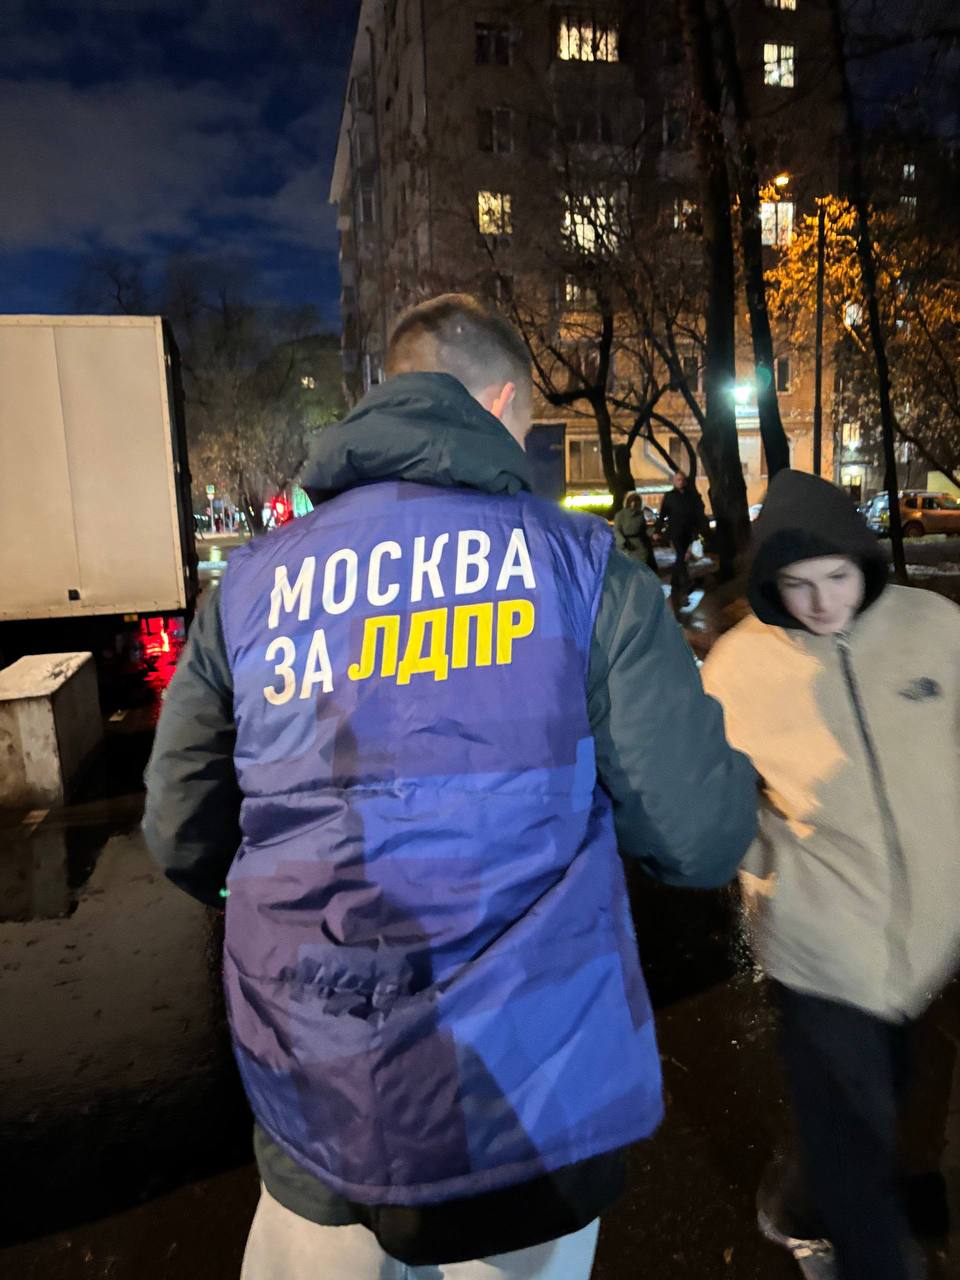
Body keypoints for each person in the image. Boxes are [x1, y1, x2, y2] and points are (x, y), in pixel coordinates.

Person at [143, 294, 756, 1280]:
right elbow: (699, 835)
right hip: (521, 1098)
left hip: (319, 1088)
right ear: (502, 400)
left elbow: (182, 831)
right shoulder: (583, 571)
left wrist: (258, 887)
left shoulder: (250, 587)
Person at [702, 469, 960, 1280]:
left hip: (929, 936)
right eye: (798, 586)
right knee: (854, 1135)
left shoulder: (934, 628)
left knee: (888, 1100)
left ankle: (798, 1206)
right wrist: (768, 865)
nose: (821, 604)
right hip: (818, 942)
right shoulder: (740, 665)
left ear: (865, 563)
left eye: (837, 578)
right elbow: (707, 790)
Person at [654, 471, 706, 608]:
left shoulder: (691, 496)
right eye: (678, 479)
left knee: (682, 558)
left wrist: (699, 531)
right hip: (675, 532)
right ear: (674, 481)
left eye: (682, 479)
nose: (680, 482)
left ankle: (675, 582)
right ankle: (685, 585)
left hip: (688, 532)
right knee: (681, 557)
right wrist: (657, 531)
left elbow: (697, 514)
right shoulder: (670, 496)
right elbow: (662, 515)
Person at [613, 491, 657, 573]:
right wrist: (623, 542)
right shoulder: (620, 515)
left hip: (638, 544)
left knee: (641, 567)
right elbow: (617, 530)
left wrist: (652, 533)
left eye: (636, 501)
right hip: (626, 545)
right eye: (631, 501)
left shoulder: (640, 515)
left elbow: (644, 529)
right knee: (628, 568)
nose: (633, 503)